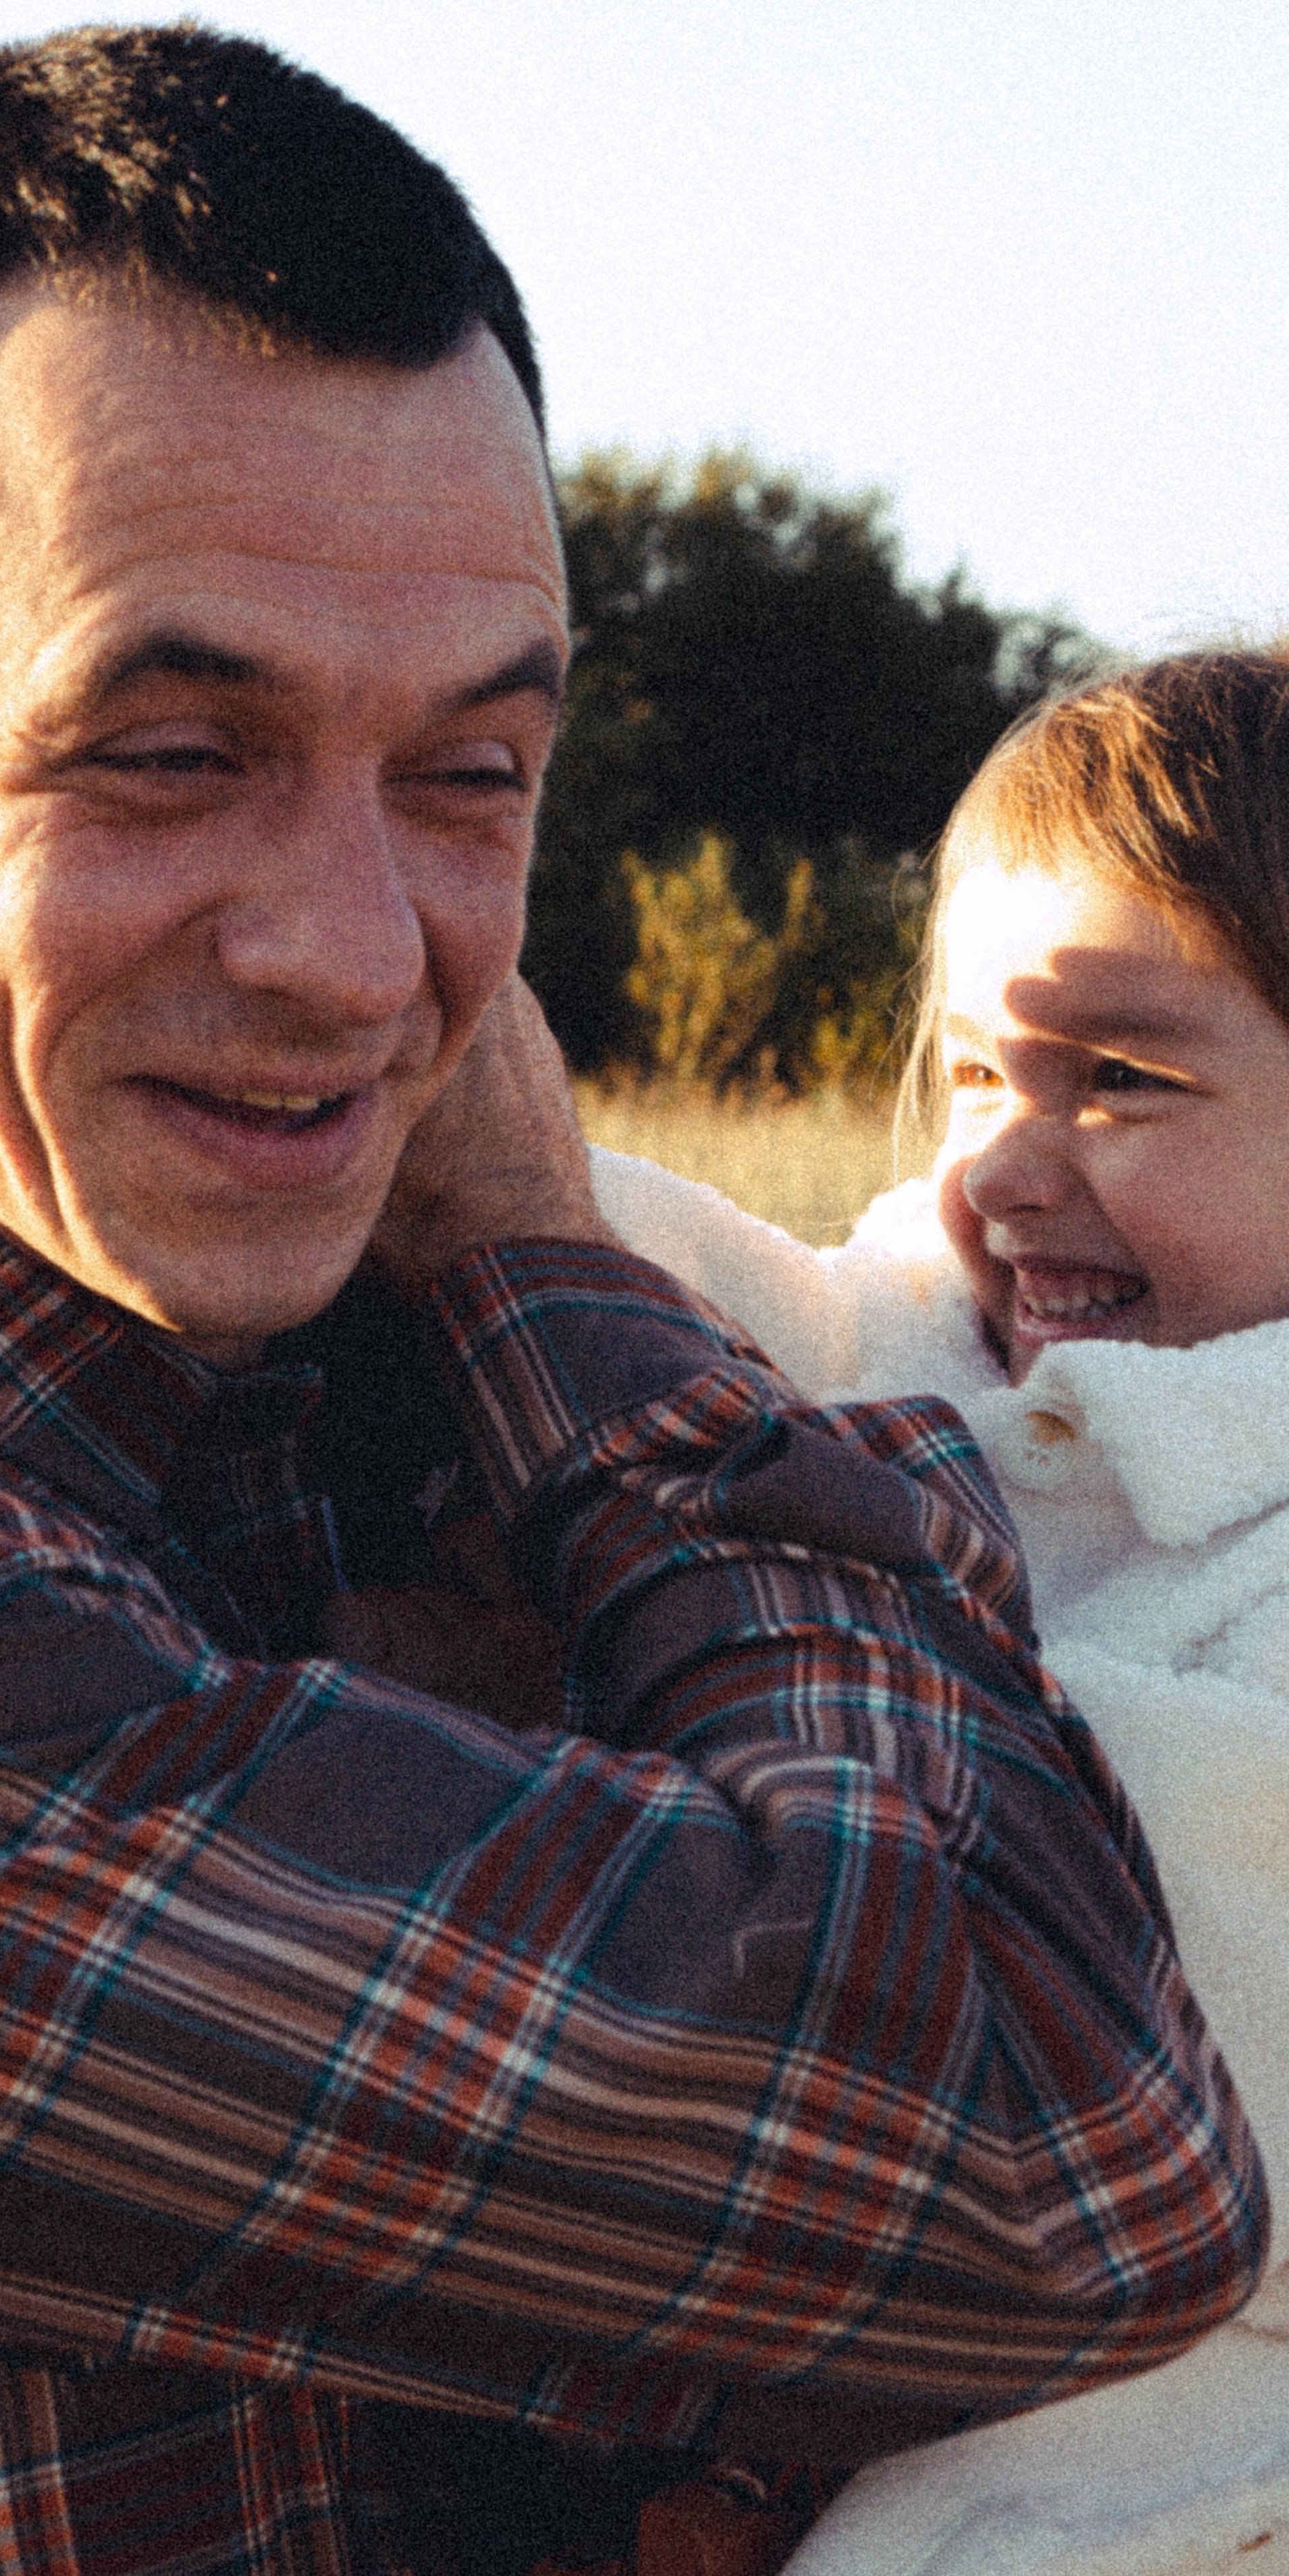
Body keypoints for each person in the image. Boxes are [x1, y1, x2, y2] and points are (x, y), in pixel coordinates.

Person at [0, 34, 1261, 2576]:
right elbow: (1048, 2144)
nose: (362, 961)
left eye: (470, 776)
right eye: (166, 751)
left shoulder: (405, 1418)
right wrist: (552, 1274)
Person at [596, 651, 1289, 2571]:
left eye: (1120, 1081)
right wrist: (504, 1198)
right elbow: (742, 1315)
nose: (1000, 1158)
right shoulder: (944, 1338)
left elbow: (1176, 1961)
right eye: (976, 1067)